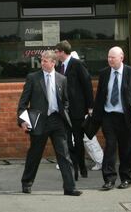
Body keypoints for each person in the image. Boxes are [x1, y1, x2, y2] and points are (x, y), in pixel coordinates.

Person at [17, 50, 82, 196]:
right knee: (35, 154)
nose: (42, 63)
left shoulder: (62, 79)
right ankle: (27, 182)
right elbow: (23, 102)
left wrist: (64, 113)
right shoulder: (33, 78)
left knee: (64, 154)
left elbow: (65, 101)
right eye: (42, 60)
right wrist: (22, 120)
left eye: (45, 61)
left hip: (57, 120)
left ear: (53, 63)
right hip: (39, 121)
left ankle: (70, 187)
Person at [91, 46, 131, 191]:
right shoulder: (104, 73)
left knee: (126, 149)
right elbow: (100, 96)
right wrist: (95, 115)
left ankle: (126, 178)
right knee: (110, 147)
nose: (110, 60)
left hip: (126, 117)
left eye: (113, 57)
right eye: (109, 57)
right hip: (109, 116)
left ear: (121, 58)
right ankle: (109, 179)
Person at [54, 41, 93, 180]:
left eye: (56, 51)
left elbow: (87, 84)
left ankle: (81, 166)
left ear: (62, 52)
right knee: (66, 141)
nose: (55, 54)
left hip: (77, 109)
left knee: (78, 139)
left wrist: (90, 106)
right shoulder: (59, 67)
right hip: (63, 111)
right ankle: (73, 166)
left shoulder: (77, 64)